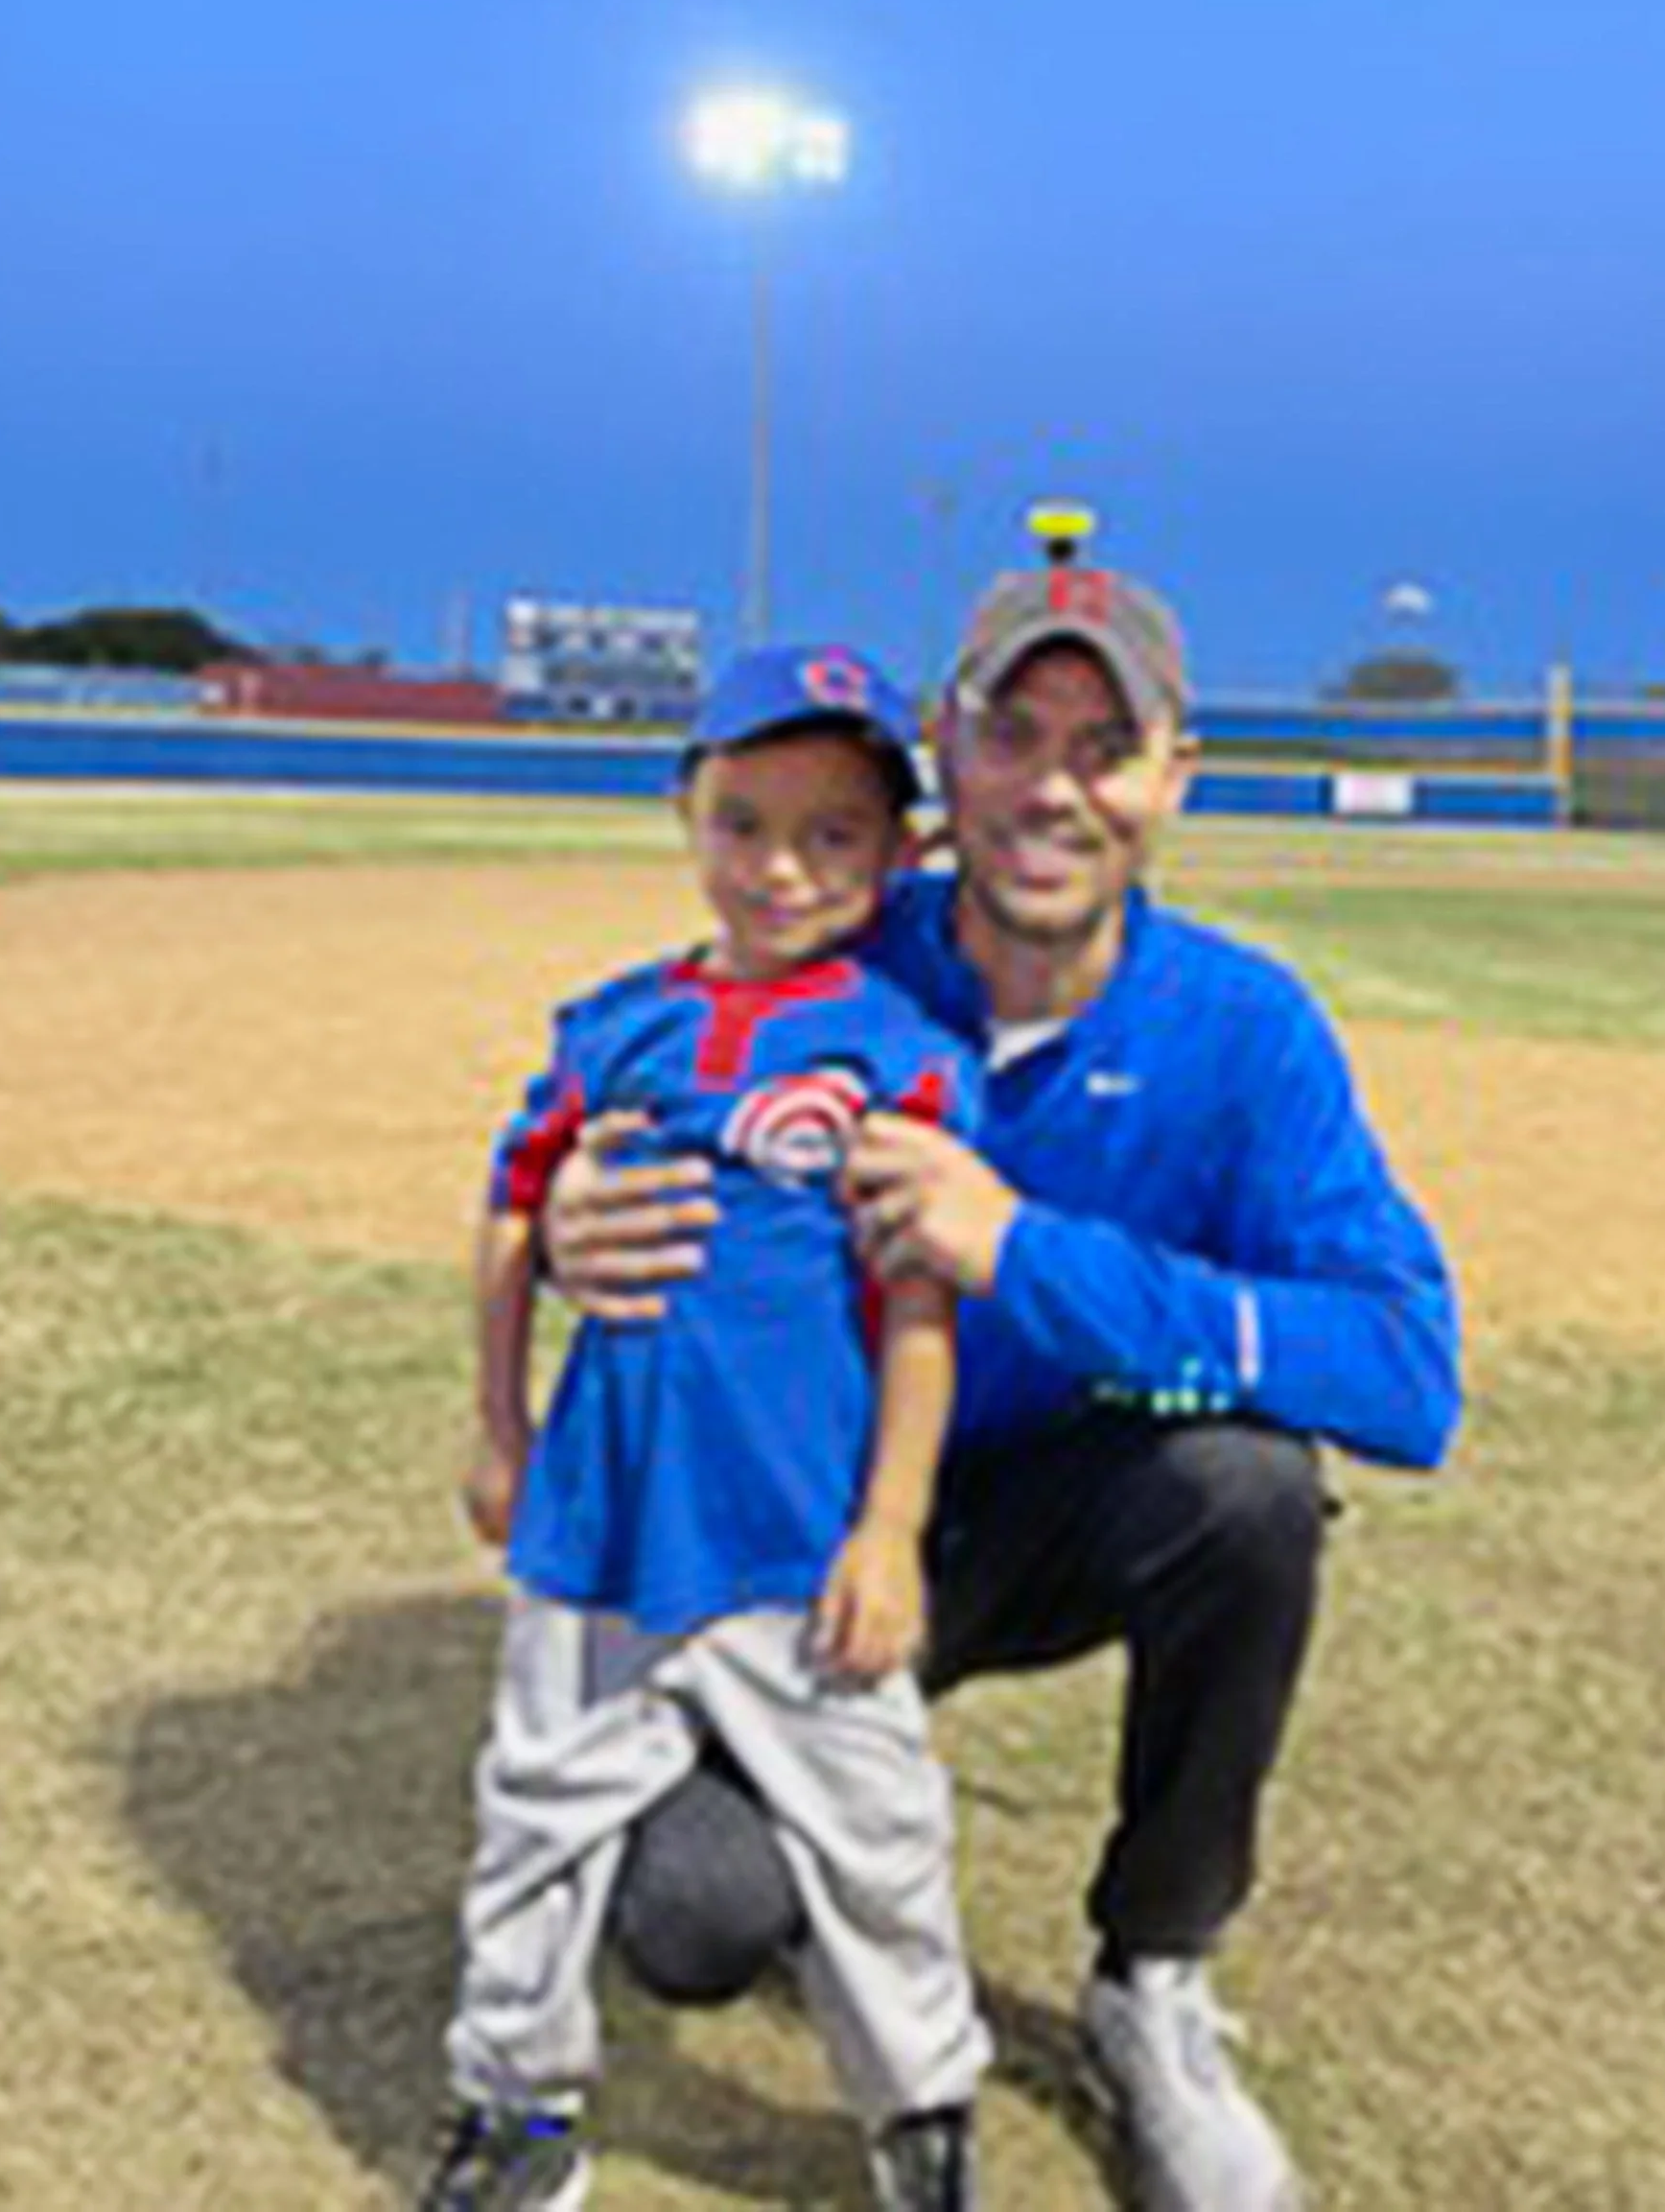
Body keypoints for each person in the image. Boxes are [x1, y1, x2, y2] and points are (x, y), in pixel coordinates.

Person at [541, 550, 1464, 2212]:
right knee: (692, 1920)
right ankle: (820, 1831)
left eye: (1104, 744)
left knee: (1246, 1494)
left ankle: (1155, 1980)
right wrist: (569, 1221)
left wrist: (1023, 1251)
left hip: (1052, 1514)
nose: (1052, 785)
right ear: (941, 763)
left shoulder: (1245, 1030)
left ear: (1174, 775)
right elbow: (622, 1101)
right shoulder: (835, 950)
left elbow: (1407, 1371)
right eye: (1009, 731)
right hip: (799, 1531)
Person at [422, 644, 992, 2212]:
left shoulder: (902, 1053)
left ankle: (922, 2112)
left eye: (833, 834)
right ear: (685, 810)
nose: (780, 867)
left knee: (877, 1836)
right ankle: (516, 2104)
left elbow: (925, 1310)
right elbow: (512, 1208)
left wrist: (888, 1526)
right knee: (537, 1817)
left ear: (900, 851)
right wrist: (497, 1423)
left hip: (792, 1535)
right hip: (603, 1522)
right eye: (741, 821)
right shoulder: (615, 1023)